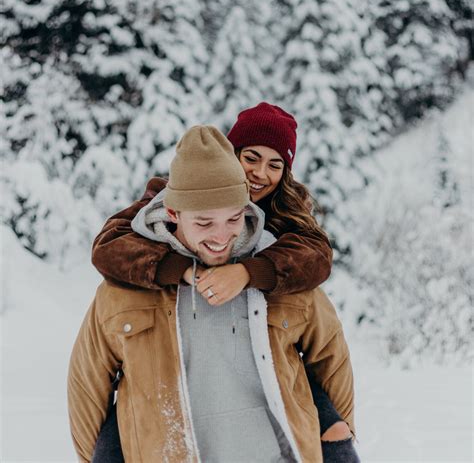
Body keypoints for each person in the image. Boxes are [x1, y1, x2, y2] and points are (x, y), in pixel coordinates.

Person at [68, 126, 357, 463]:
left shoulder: (280, 268)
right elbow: (88, 385)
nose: (222, 236)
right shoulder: (127, 285)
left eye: (234, 218)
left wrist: (339, 441)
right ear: (173, 213)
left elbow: (331, 358)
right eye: (205, 223)